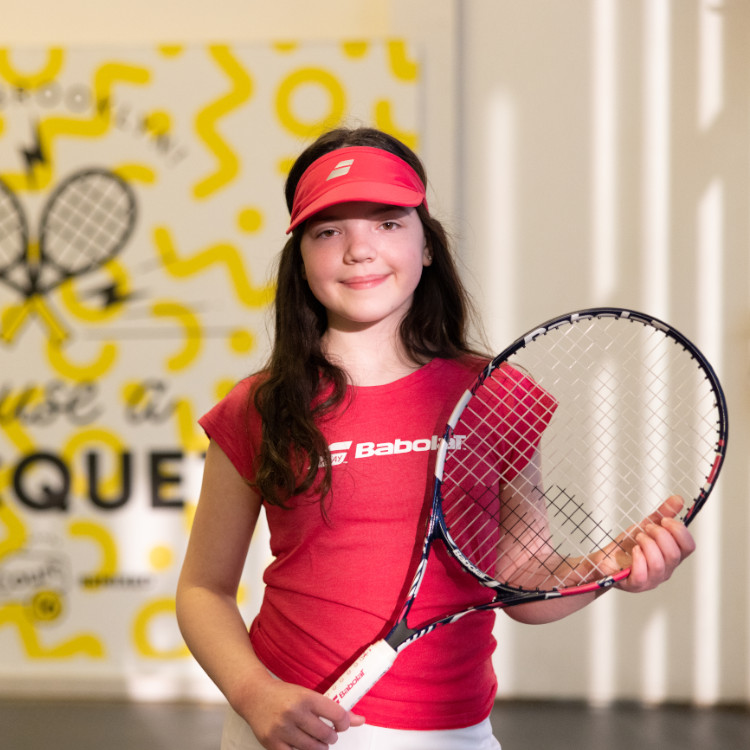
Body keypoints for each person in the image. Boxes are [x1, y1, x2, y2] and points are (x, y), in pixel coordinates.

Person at [175, 126, 696, 750]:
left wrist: (603, 567)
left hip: (454, 731)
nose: (359, 250)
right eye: (328, 231)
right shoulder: (259, 407)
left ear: (427, 245)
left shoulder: (495, 393)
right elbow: (203, 589)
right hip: (288, 728)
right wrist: (255, 694)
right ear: (301, 259)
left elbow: (520, 582)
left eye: (388, 223)